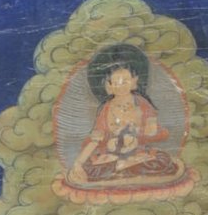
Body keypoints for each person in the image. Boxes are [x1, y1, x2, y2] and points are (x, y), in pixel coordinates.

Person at [62, 43, 193, 196]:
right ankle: (120, 168)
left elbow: (155, 133)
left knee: (161, 162)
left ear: (134, 81)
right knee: (91, 169)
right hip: (111, 157)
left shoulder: (143, 105)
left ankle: (124, 168)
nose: (121, 86)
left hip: (139, 155)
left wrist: (140, 134)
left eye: (125, 81)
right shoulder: (106, 109)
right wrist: (78, 162)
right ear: (108, 86)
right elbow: (95, 140)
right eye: (115, 82)